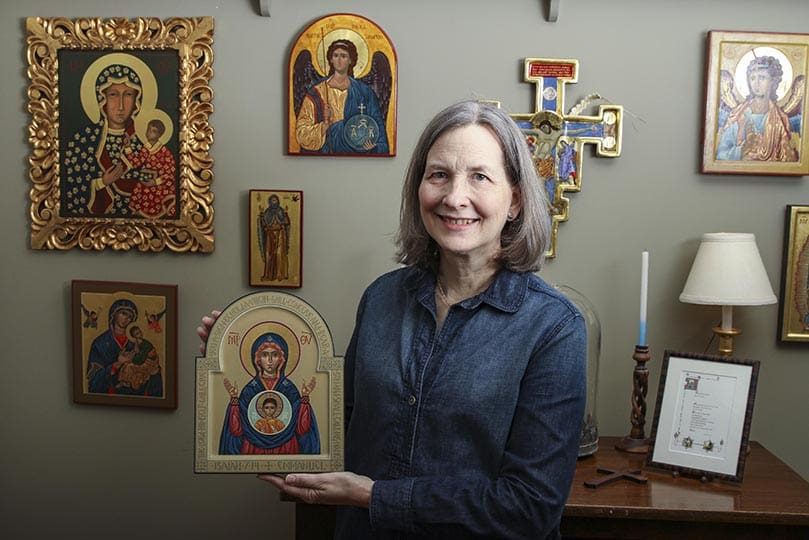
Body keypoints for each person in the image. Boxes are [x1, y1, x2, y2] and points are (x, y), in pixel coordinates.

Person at [198, 100, 586, 539]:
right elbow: (338, 426)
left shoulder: (553, 328)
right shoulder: (382, 297)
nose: (454, 197)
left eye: (480, 176)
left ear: (514, 200)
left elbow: (531, 508)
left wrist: (375, 496)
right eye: (438, 174)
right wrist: (244, 370)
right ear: (418, 187)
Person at [62, 55, 152, 217]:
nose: (121, 105)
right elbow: (70, 186)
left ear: (137, 100)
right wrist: (101, 182)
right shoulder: (83, 140)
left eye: (128, 95)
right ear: (101, 98)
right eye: (113, 95)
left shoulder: (144, 140)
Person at [219, 333, 320, 455]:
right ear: (257, 359)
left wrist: (304, 400)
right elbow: (236, 430)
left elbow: (302, 428)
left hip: (286, 445)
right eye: (265, 355)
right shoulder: (250, 389)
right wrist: (234, 401)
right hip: (254, 445)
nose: (270, 361)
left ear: (282, 359)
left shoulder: (289, 388)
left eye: (275, 355)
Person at [295, 38, 389, 154]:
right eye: (335, 55)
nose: (339, 60)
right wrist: (325, 125)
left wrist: (375, 147)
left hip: (356, 152)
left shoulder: (365, 92)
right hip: (325, 153)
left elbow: (377, 126)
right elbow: (301, 132)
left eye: (343, 56)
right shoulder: (317, 92)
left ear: (351, 60)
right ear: (330, 60)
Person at [716, 55, 799, 162]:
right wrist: (742, 150)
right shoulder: (738, 116)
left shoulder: (781, 119)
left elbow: (789, 160)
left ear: (773, 81)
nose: (757, 83)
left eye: (762, 77)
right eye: (753, 78)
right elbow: (721, 155)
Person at [87, 299, 163, 397]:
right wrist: (117, 364)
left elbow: (154, 374)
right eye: (123, 313)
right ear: (113, 314)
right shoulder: (99, 343)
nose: (127, 318)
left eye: (130, 316)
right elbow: (93, 382)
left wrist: (152, 363)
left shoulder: (137, 343)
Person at [123, 117, 178, 218]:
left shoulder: (165, 152)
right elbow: (136, 163)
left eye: (153, 131)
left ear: (159, 135)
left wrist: (155, 182)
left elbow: (171, 173)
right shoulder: (146, 147)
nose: (149, 133)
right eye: (148, 129)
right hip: (146, 181)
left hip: (161, 184)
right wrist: (128, 147)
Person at [116, 325, 161, 391]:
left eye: (140, 332)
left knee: (130, 366)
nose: (140, 334)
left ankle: (131, 382)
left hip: (149, 363)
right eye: (137, 333)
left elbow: (141, 357)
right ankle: (125, 382)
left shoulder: (145, 344)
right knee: (126, 365)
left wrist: (132, 360)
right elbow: (136, 352)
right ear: (134, 336)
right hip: (142, 360)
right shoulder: (137, 343)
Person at [258, 194, 291, 281]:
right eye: (272, 200)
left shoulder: (281, 211)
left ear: (278, 201)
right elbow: (264, 224)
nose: (274, 202)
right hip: (270, 234)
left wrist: (285, 213)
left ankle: (280, 275)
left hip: (280, 234)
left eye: (275, 200)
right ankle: (269, 275)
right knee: (269, 254)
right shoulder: (267, 212)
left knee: (279, 254)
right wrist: (261, 215)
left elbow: (286, 222)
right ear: (270, 202)